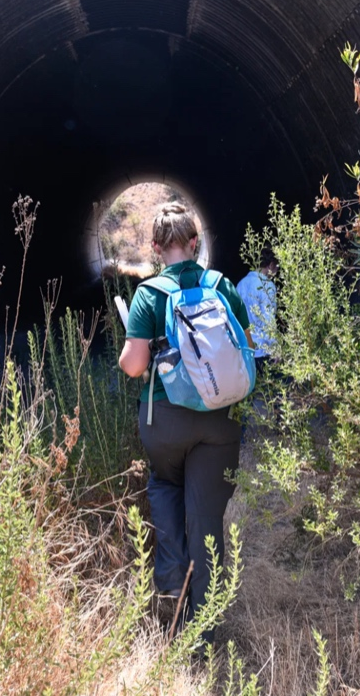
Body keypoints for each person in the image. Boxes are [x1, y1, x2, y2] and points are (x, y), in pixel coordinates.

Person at [118, 203, 253, 642]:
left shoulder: (149, 295)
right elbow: (245, 349)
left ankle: (173, 591)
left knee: (165, 487)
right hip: (220, 421)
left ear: (157, 248)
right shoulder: (222, 285)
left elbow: (135, 366)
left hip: (165, 422)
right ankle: (207, 624)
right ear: (195, 243)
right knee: (206, 515)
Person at [235, 247, 278, 373]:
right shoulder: (267, 286)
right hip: (263, 351)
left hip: (246, 350)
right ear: (270, 265)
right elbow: (269, 319)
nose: (277, 271)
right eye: (276, 267)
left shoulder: (241, 284)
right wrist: (275, 348)